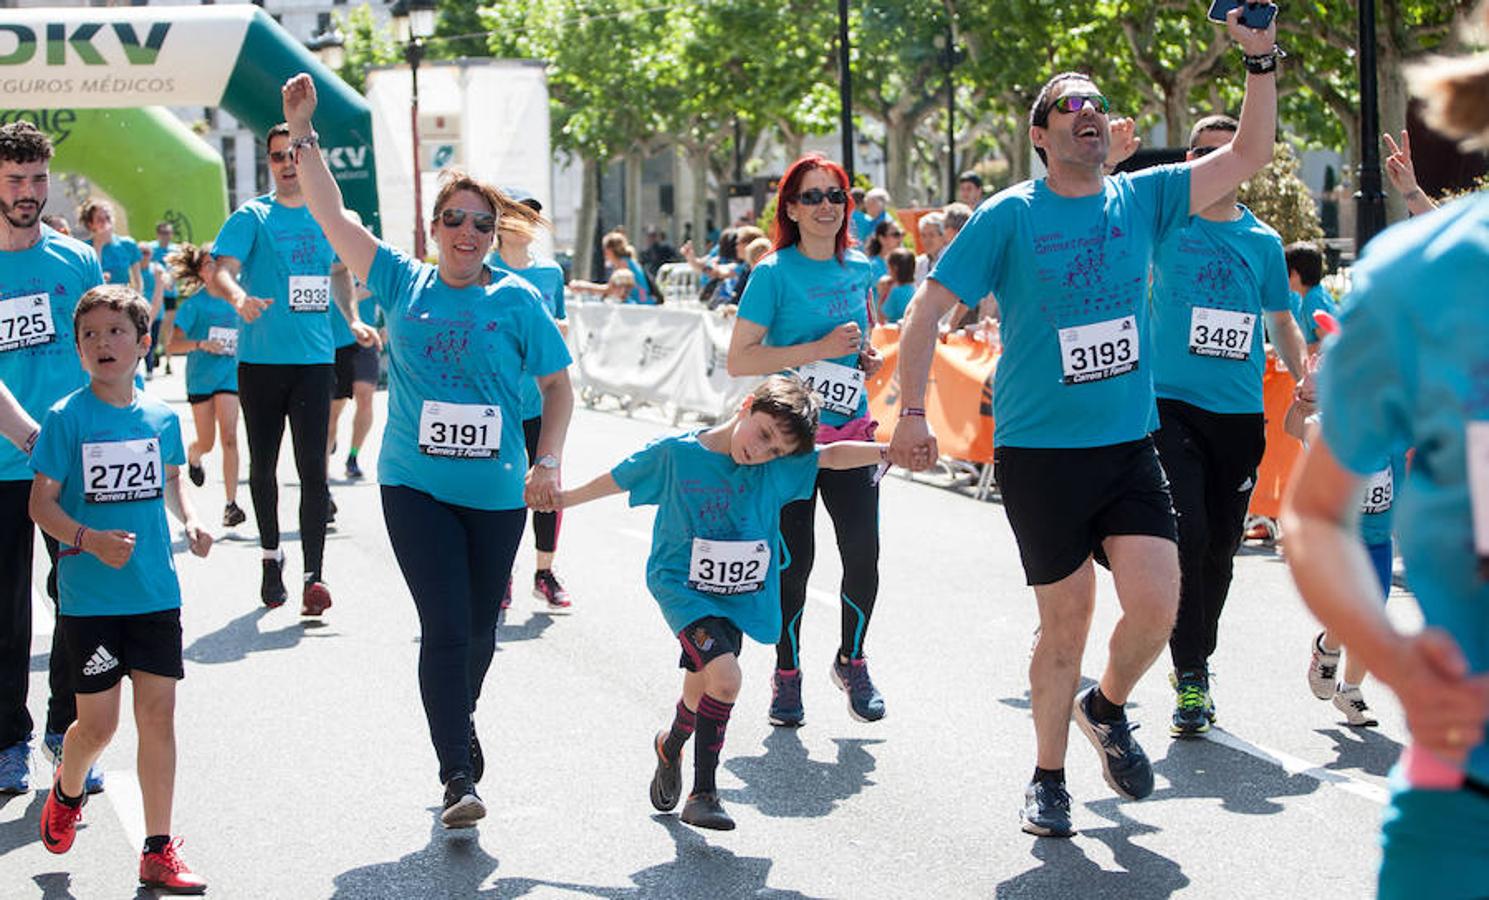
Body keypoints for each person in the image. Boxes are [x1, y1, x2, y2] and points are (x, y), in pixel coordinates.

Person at [890, 6, 1283, 838]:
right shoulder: (1008, 214)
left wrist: (1259, 59)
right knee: (1064, 618)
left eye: (1096, 105)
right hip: (1039, 453)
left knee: (1155, 605)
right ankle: (1046, 777)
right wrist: (912, 413)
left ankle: (1104, 707)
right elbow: (925, 314)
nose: (1089, 114)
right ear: (1039, 133)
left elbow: (1248, 153)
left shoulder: (1146, 197)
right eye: (1070, 106)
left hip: (1127, 444)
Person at [281, 73, 574, 827]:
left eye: (481, 223)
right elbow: (331, 213)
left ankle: (458, 728)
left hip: (498, 491)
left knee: (480, 631)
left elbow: (557, 387)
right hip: (413, 484)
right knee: (445, 625)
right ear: (435, 227)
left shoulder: (517, 299)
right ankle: (457, 776)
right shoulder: (399, 279)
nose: (468, 233)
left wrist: (546, 462)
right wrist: (303, 132)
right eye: (454, 220)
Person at [552, 375, 890, 830]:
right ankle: (703, 794)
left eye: (775, 451)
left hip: (738, 595)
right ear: (747, 405)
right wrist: (560, 500)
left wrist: (889, 452)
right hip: (682, 589)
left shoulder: (774, 469)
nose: (762, 451)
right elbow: (618, 478)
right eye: (764, 434)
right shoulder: (676, 454)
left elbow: (830, 456)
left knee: (703, 685)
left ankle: (670, 744)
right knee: (727, 679)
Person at [30, 284, 212, 893]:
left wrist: (192, 518)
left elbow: (172, 482)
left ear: (141, 342)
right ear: (78, 349)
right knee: (97, 729)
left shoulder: (161, 416)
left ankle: (158, 848)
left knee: (158, 716)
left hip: (156, 593)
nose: (103, 343)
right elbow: (41, 504)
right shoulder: (65, 418)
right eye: (90, 334)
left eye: (115, 332)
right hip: (92, 601)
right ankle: (68, 785)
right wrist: (85, 539)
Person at [1144, 114, 1310, 737]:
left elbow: (1283, 321)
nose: (1214, 164)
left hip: (1238, 415)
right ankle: (1190, 676)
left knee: (1219, 550)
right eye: (1201, 154)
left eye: (1225, 153)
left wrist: (1305, 376)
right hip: (1169, 404)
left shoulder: (1263, 242)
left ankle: (1196, 659)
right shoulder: (1165, 226)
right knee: (1186, 535)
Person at [729, 153, 902, 728]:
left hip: (850, 435)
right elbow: (739, 359)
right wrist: (818, 346)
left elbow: (857, 350)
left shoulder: (859, 270)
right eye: (812, 196)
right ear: (791, 208)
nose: (825, 206)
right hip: (788, 444)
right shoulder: (773, 273)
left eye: (835, 196)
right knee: (792, 563)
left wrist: (864, 361)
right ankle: (787, 675)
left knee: (863, 556)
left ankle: (852, 660)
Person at [209, 121, 375, 614]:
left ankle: (313, 578)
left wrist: (354, 319)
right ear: (270, 163)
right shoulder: (252, 216)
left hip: (314, 361)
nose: (285, 164)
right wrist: (239, 298)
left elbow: (341, 271)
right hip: (260, 363)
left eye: (292, 156)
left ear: (307, 161)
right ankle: (269, 556)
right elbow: (219, 268)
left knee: (312, 471)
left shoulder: (330, 219)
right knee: (263, 469)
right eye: (277, 157)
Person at [0, 121, 106, 797]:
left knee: (79, 599)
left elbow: (102, 350)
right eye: (14, 180)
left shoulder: (77, 262)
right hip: (8, 462)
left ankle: (67, 733)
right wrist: (31, 436)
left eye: (37, 179)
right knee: (5, 613)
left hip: (69, 463)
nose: (28, 192)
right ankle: (8, 738)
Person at [489, 191, 573, 613]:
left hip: (541, 400)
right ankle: (500, 573)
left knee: (547, 486)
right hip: (498, 403)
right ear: (500, 224)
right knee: (503, 491)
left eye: (532, 217)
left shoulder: (551, 272)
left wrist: (559, 327)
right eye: (517, 215)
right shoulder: (487, 272)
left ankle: (545, 571)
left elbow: (558, 324)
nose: (525, 223)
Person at [165, 243, 247, 528]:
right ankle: (194, 455)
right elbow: (172, 346)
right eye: (209, 264)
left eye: (218, 262)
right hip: (200, 378)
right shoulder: (195, 305)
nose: (215, 267)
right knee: (207, 442)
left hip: (229, 376)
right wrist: (201, 344)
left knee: (230, 437)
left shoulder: (238, 298)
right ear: (201, 272)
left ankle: (231, 504)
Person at [327, 278, 381, 482]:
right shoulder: (333, 263)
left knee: (365, 396)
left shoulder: (372, 267)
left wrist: (387, 328)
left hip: (366, 341)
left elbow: (388, 298)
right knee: (334, 409)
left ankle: (353, 457)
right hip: (336, 342)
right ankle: (328, 448)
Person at [79, 199, 141, 293]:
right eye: (100, 219)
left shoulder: (128, 244)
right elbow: (90, 282)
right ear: (91, 225)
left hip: (123, 300)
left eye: (108, 217)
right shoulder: (84, 248)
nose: (105, 222)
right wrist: (98, 245)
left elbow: (138, 282)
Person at [1284, 242, 1335, 353]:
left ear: (1294, 274)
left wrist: (1298, 352)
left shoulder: (1313, 300)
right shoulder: (1313, 294)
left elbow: (1330, 342)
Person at [143, 222, 179, 377]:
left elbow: (177, 270)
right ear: (158, 234)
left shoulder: (175, 250)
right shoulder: (151, 249)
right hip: (154, 293)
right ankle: (154, 350)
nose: (166, 236)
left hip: (170, 293)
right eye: (163, 233)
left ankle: (168, 361)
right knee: (153, 325)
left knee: (168, 327)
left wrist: (172, 280)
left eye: (169, 233)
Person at [878, 248, 917, 324]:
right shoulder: (915, 289)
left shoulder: (896, 292)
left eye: (889, 268)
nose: (888, 272)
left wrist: (882, 295)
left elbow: (881, 318)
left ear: (895, 269)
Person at [863, 218, 903, 287]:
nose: (900, 238)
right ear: (882, 239)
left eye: (901, 234)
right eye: (896, 234)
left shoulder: (904, 263)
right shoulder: (872, 267)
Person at [913, 212, 946, 287]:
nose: (926, 240)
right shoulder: (919, 263)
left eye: (931, 235)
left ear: (943, 236)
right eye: (923, 235)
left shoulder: (949, 260)